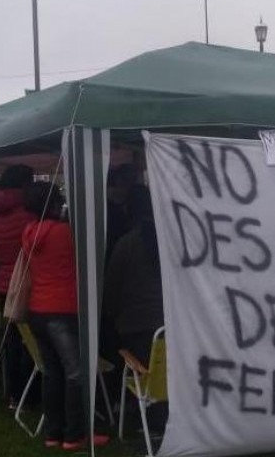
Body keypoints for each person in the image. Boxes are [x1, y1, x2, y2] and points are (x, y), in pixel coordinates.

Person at [22, 182, 110, 450]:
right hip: (63, 309)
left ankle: (53, 432)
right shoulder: (65, 232)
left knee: (53, 373)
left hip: (37, 309)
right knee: (76, 373)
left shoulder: (29, 232)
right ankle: (74, 435)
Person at [102, 185, 167, 437]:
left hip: (135, 327)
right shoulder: (171, 239)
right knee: (164, 372)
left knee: (138, 366)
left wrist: (109, 314)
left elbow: (112, 288)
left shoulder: (127, 244)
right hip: (171, 323)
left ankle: (146, 417)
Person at [0, 164, 38, 408]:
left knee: (10, 341)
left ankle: (12, 393)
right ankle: (27, 393)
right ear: (24, 185)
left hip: (3, 283)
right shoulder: (27, 216)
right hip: (25, 283)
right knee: (30, 343)